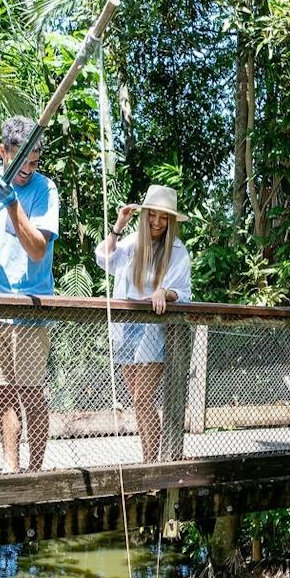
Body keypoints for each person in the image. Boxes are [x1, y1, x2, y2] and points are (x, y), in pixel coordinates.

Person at [0, 116, 61, 474]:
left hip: (31, 308)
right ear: (4, 151)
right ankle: (10, 469)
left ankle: (36, 470)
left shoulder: (45, 190)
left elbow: (37, 250)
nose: (28, 169)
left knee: (32, 394)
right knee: (2, 394)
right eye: (22, 161)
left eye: (34, 162)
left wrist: (13, 204)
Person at [94, 184, 193, 463]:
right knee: (138, 400)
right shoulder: (132, 244)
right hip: (126, 328)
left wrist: (164, 292)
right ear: (145, 214)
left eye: (164, 217)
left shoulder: (176, 250)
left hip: (154, 330)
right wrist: (118, 225)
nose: (158, 222)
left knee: (142, 398)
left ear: (171, 220)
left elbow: (183, 292)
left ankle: (151, 463)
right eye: (153, 215)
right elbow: (103, 258)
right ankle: (147, 459)